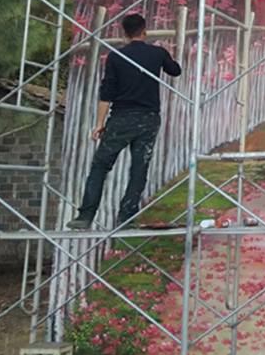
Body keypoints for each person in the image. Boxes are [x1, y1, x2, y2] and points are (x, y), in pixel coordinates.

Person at [68, 14, 182, 229]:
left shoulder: (116, 57)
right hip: (148, 119)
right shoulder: (157, 53)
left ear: (125, 33)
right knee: (139, 168)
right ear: (144, 31)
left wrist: (99, 123)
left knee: (100, 166)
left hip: (121, 118)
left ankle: (85, 216)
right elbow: (175, 70)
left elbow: (107, 92)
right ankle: (126, 217)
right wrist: (165, 54)